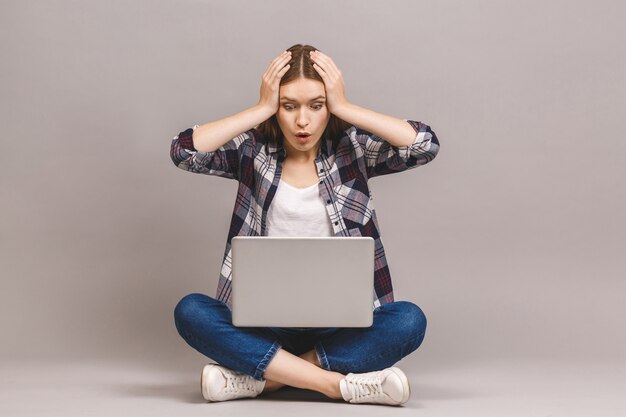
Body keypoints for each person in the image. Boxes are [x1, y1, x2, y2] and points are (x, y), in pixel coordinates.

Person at [170, 44, 440, 406]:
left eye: (316, 105)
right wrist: (260, 108)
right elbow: (184, 151)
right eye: (288, 105)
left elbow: (424, 145)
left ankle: (264, 379)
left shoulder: (352, 149)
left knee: (408, 321)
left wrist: (344, 106)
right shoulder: (252, 152)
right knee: (191, 311)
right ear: (275, 107)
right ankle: (336, 385)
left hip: (341, 327)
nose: (302, 121)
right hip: (262, 325)